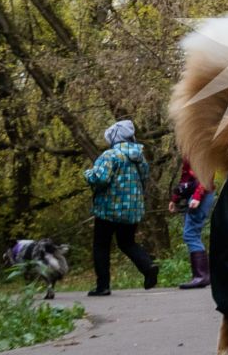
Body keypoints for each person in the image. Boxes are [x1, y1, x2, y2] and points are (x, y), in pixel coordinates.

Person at [83, 119, 157, 295]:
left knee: (101, 245)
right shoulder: (139, 157)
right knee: (127, 242)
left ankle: (103, 286)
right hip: (132, 209)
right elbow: (144, 179)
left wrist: (88, 174)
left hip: (108, 209)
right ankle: (148, 267)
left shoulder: (110, 156)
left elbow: (100, 179)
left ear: (115, 137)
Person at [168, 159, 214, 290]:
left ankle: (201, 276)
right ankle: (201, 276)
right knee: (192, 234)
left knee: (191, 234)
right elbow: (186, 177)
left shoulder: (199, 148)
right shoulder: (189, 150)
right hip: (197, 194)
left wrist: (197, 197)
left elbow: (206, 174)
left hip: (202, 193)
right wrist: (175, 199)